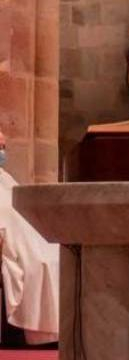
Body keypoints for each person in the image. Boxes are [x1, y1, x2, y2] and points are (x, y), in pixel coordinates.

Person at [0, 129, 60, 344]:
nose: (2, 152)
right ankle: (39, 330)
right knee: (37, 262)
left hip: (26, 234)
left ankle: (54, 329)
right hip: (10, 238)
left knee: (55, 255)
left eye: (3, 147)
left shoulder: (4, 177)